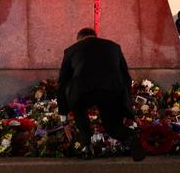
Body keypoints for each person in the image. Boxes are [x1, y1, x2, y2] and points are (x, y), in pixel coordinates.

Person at [57, 28, 145, 161]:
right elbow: (126, 77)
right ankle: (130, 137)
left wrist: (63, 114)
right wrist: (126, 104)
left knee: (79, 111)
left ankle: (86, 147)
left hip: (82, 92)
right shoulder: (114, 47)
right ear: (95, 36)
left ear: (79, 39)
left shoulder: (71, 50)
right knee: (112, 125)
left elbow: (62, 83)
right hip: (110, 90)